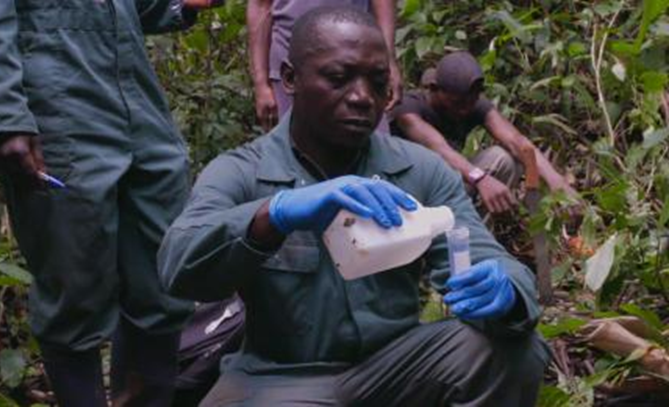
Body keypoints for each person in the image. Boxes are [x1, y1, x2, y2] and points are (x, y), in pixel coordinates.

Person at [159, 6, 550, 406]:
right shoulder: (242, 171)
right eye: (338, 78)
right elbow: (178, 265)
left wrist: (507, 291)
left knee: (513, 351)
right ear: (291, 78)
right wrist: (272, 215)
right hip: (280, 377)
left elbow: (484, 254)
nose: (363, 97)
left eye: (378, 83)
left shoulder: (419, 170)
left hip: (397, 367)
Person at [0, 1, 218, 406]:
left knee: (163, 276)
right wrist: (2, 118)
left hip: (138, 107)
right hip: (58, 110)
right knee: (73, 288)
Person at [391, 51, 577, 216]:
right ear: (434, 89)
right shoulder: (408, 108)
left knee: (504, 160)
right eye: (457, 103)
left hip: (447, 185)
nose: (465, 109)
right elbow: (440, 149)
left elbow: (516, 141)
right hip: (405, 194)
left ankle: (477, 234)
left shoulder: (472, 104)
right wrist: (480, 178)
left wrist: (556, 181)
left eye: (471, 102)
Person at [247, 0, 401, 131]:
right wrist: (261, 84)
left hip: (357, 61)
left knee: (372, 145)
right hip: (291, 63)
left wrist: (389, 61)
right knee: (296, 148)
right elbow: (261, 6)